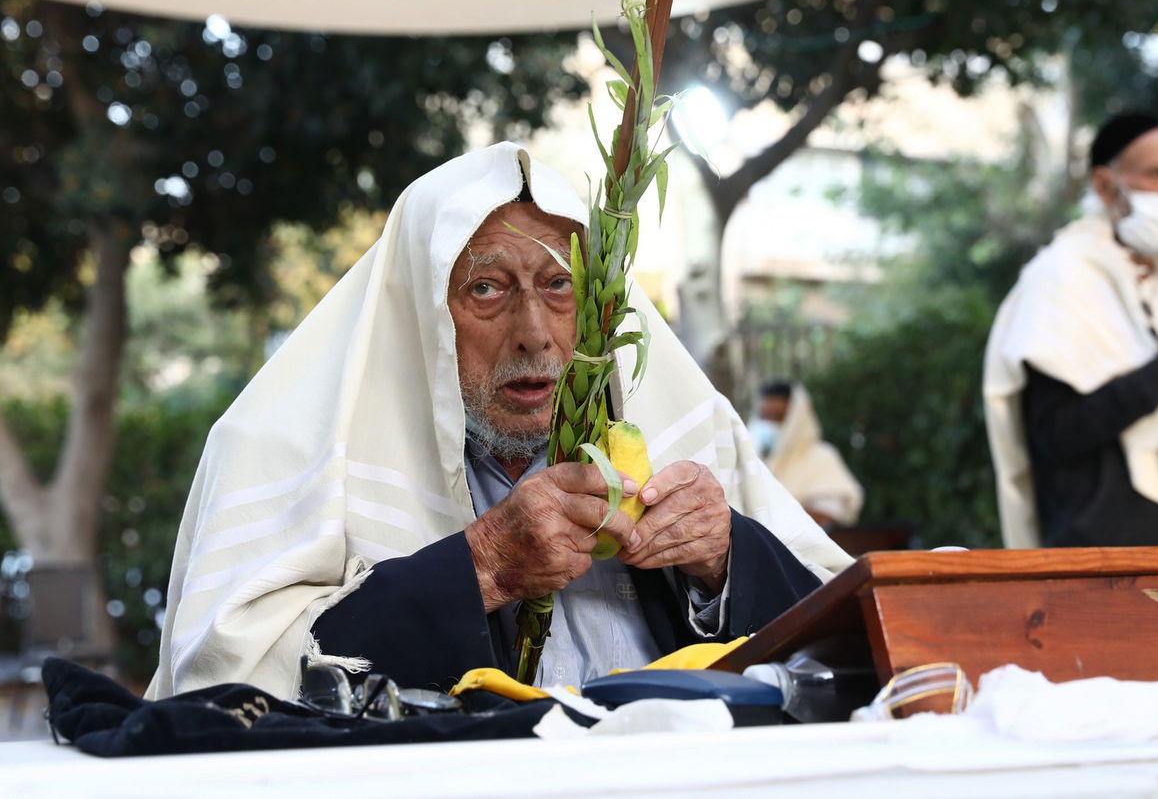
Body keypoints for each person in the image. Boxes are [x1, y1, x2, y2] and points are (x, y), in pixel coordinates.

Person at [149, 143, 850, 700]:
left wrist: (725, 560)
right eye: (486, 288)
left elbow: (852, 633)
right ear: (420, 313)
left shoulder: (682, 432)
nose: (535, 334)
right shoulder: (282, 449)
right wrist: (480, 567)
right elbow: (225, 684)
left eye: (559, 284)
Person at [983, 113, 1158, 549]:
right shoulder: (1060, 281)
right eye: (1157, 174)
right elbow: (1055, 434)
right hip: (1098, 562)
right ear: (1106, 185)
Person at [749, 381, 864, 528]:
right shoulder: (752, 458)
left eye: (778, 417)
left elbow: (830, 517)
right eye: (765, 416)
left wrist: (775, 511)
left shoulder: (822, 457)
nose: (770, 424)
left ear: (797, 418)